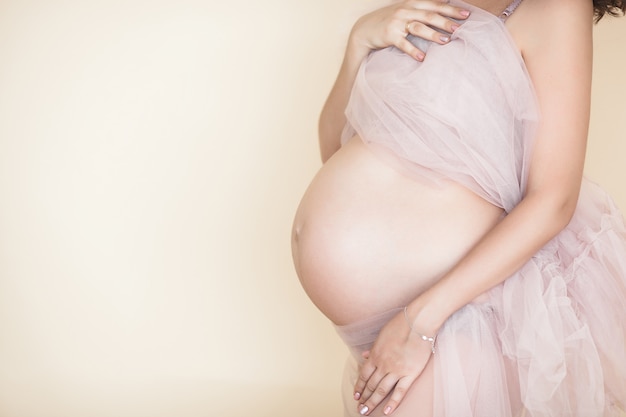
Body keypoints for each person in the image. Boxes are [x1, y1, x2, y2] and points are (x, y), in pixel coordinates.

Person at [291, 0, 626, 415]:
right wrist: (359, 42)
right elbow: (336, 149)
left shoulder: (554, 7)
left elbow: (554, 199)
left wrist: (419, 323)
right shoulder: (423, 5)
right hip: (389, 325)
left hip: (459, 314)